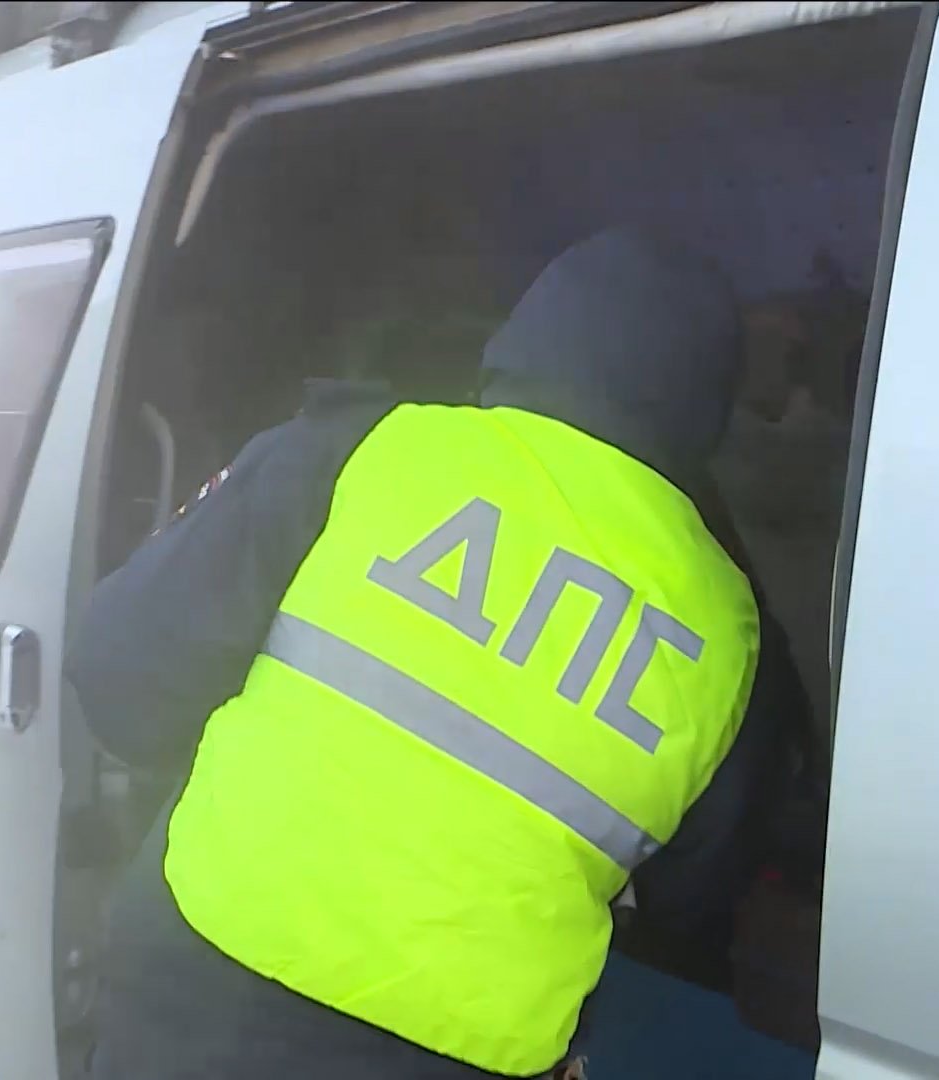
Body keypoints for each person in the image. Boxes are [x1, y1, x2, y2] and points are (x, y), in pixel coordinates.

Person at [67, 226, 810, 1079]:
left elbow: (119, 675)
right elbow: (694, 915)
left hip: (198, 1002)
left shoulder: (368, 448)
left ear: (527, 337)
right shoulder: (730, 634)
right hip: (472, 1056)